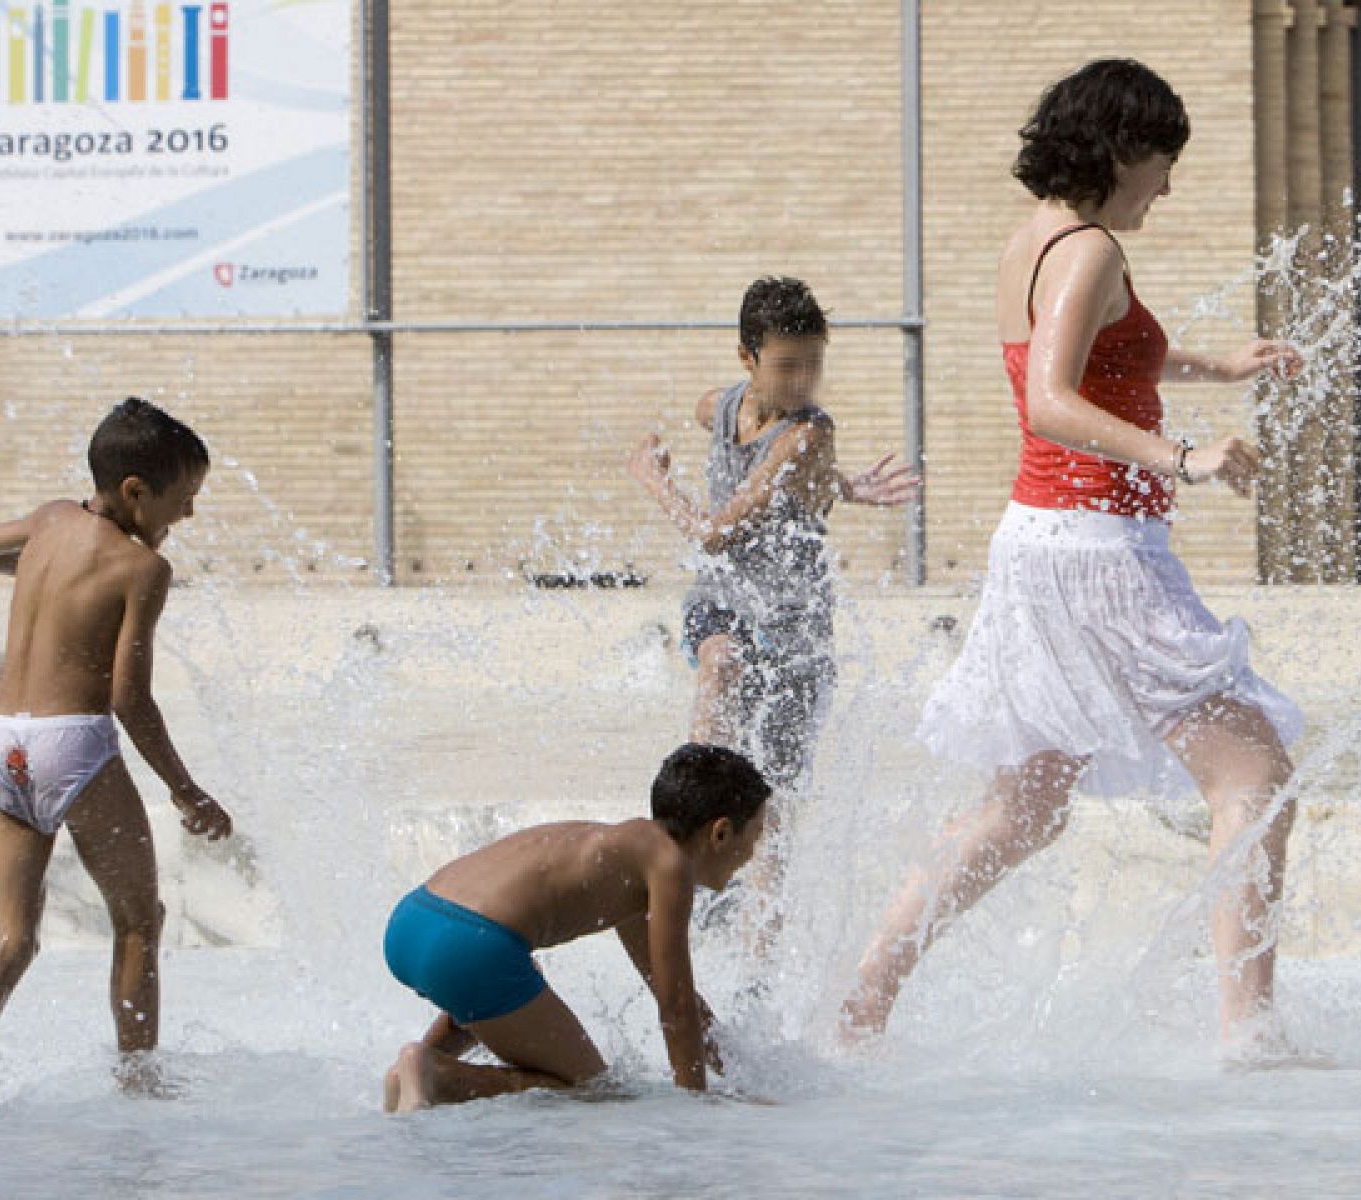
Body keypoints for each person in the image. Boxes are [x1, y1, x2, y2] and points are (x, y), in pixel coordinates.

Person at [839, 60, 1306, 1059]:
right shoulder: (1088, 247)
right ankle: (1247, 1034)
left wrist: (1218, 366)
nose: (1168, 188)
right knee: (1254, 775)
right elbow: (1049, 400)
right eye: (1163, 165)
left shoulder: (1039, 239)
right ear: (1119, 151)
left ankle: (859, 1007)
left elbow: (1104, 355)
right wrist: (1186, 457)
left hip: (1040, 545)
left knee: (1025, 801)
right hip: (1097, 549)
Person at [628, 277, 917, 941]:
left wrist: (653, 480)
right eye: (786, 365)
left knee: (774, 808)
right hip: (726, 604)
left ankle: (760, 959)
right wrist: (837, 486)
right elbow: (748, 452)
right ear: (747, 358)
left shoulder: (811, 431)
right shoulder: (719, 406)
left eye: (814, 364)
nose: (802, 381)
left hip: (795, 629)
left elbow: (714, 532)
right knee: (721, 662)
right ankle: (687, 819)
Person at [0, 397, 233, 1083]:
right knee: (140, 922)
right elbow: (129, 698)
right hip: (74, 745)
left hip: (4, 744)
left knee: (8, 940)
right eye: (182, 501)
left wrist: (41, 570)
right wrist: (187, 790)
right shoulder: (142, 570)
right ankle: (139, 1089)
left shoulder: (47, 523)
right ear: (134, 492)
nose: (187, 517)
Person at [382, 742, 770, 1111]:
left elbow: (673, 996)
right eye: (756, 835)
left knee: (512, 989)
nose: (753, 854)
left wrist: (746, 1076)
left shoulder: (625, 855)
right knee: (592, 1091)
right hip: (469, 946)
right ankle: (435, 1074)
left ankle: (414, 1072)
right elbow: (677, 1007)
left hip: (412, 923)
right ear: (720, 832)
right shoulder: (670, 864)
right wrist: (697, 1114)